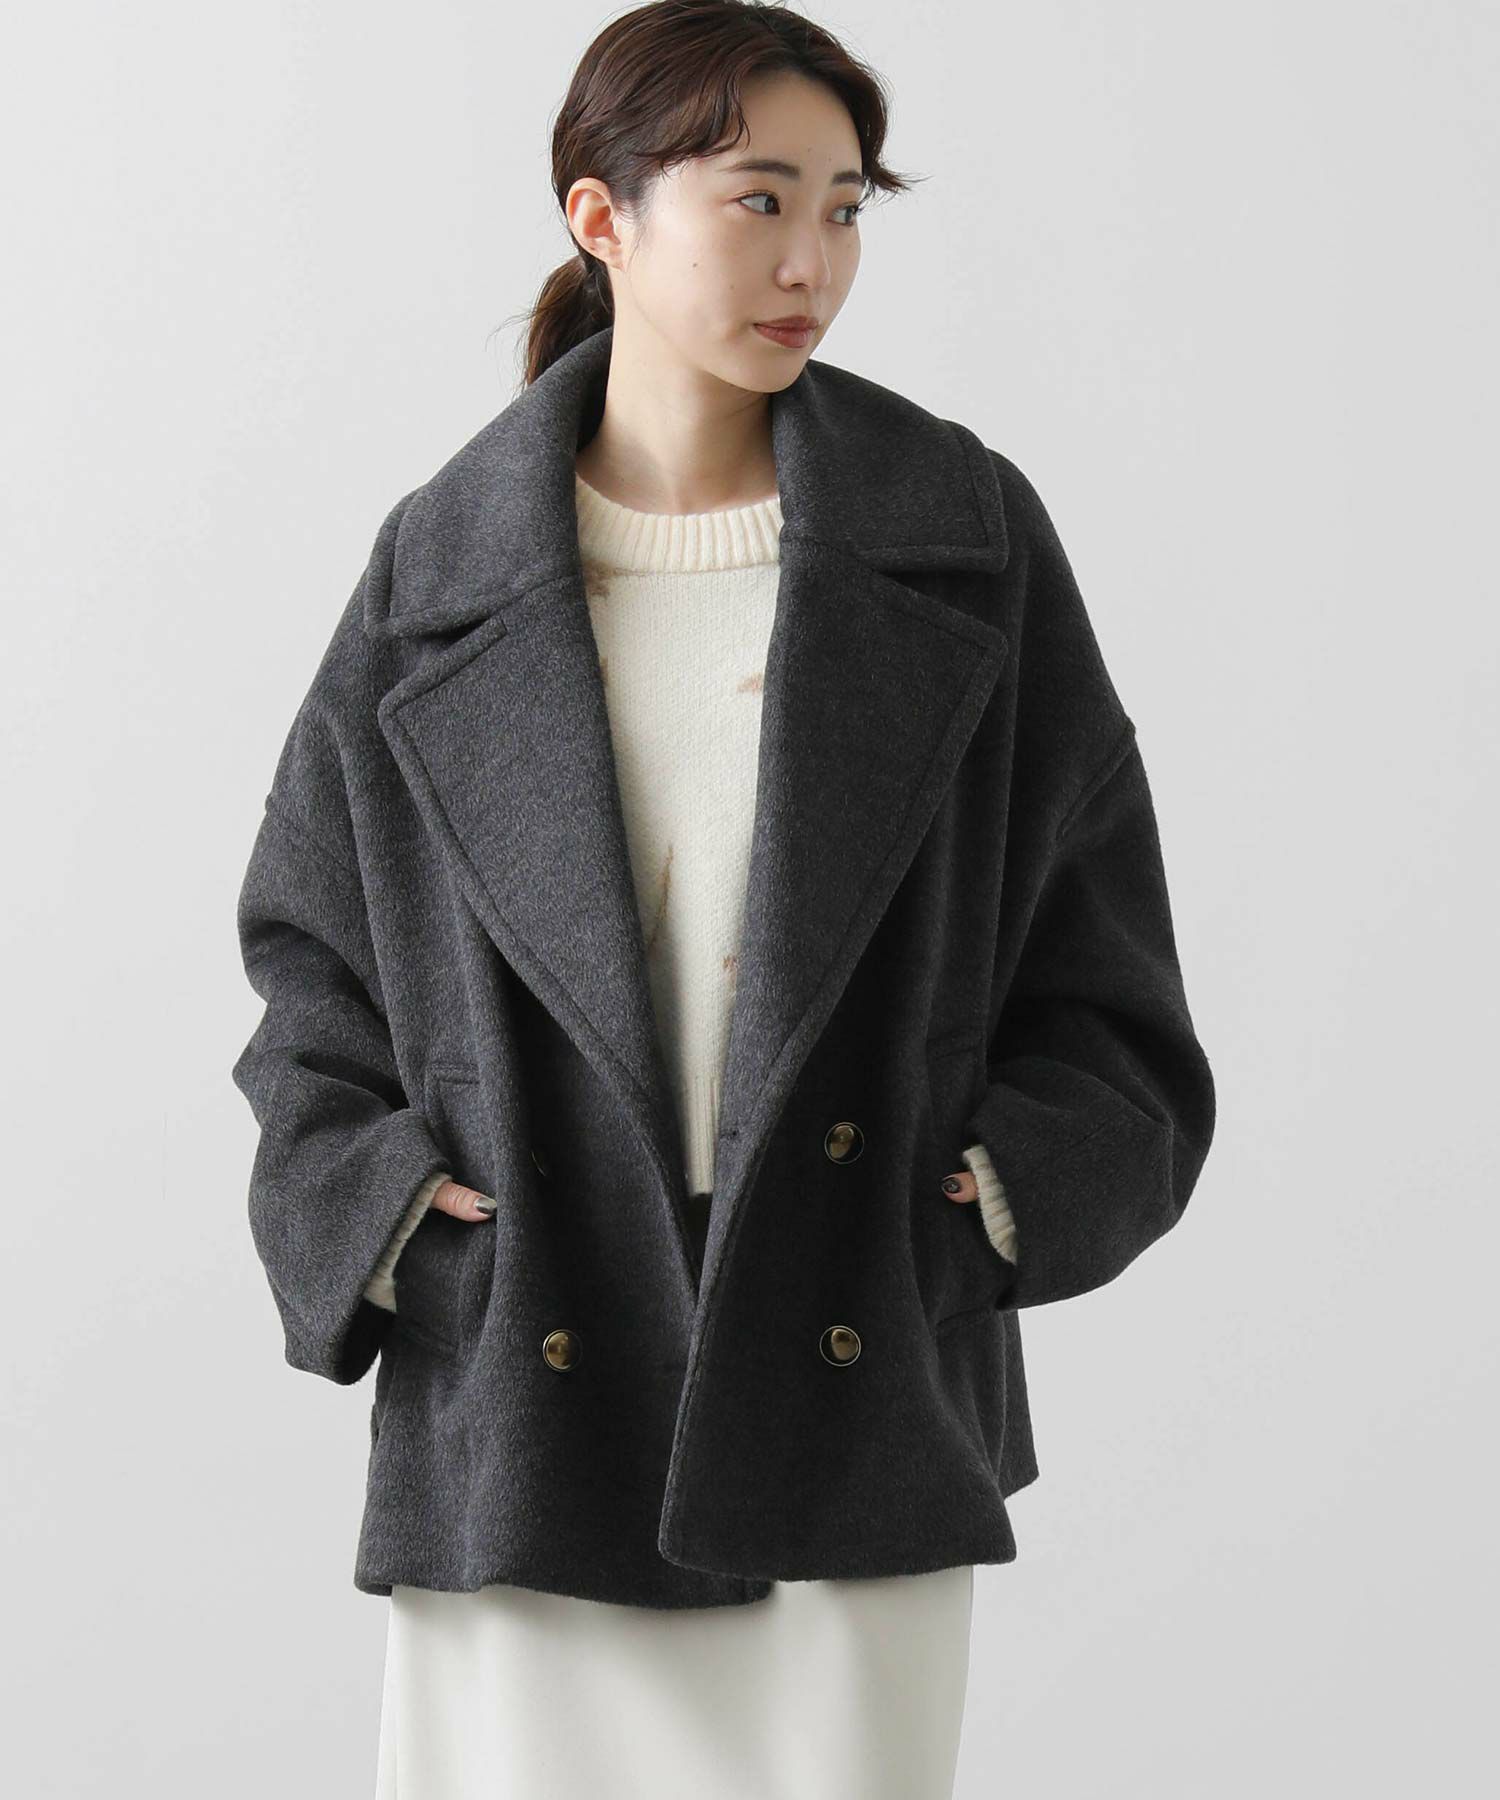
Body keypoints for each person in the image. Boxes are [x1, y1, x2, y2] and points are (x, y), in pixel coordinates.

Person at [232, 4, 1214, 1795]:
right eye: (760, 200)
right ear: (600, 217)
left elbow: (1106, 971)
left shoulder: (962, 534)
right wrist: (395, 1229)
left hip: (845, 1369)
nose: (812, 263)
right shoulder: (441, 565)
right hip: (528, 1389)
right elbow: (311, 968)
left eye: (845, 208)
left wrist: (981, 1211)